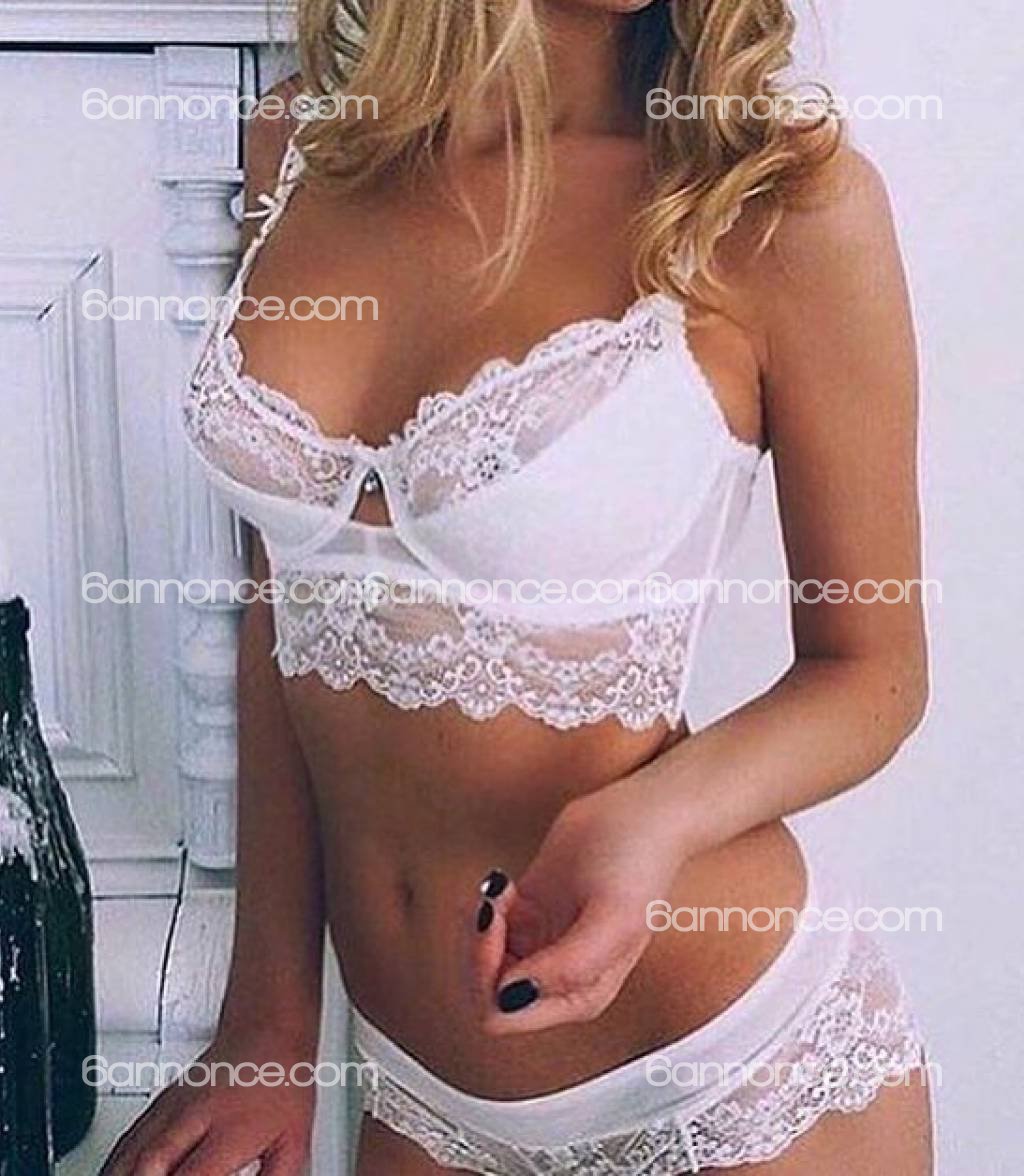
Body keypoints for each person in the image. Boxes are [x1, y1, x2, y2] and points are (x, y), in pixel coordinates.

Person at [104, 1, 933, 1172]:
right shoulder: (302, 147)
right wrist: (269, 1027)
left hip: (725, 1076)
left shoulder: (770, 200)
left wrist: (646, 819)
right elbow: (284, 603)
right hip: (419, 1096)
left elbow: (873, 675)